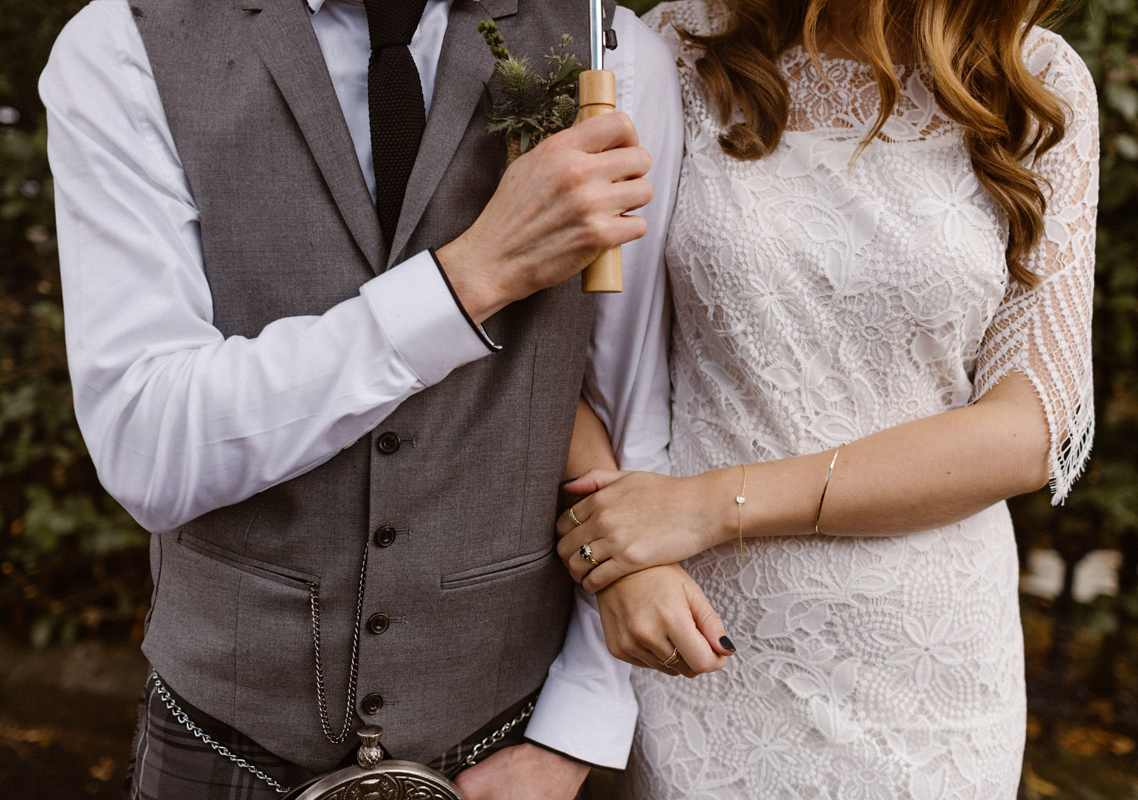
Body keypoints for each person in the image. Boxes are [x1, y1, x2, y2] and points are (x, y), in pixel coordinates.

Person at [39, 0, 695, 797]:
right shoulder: (125, 42)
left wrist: (576, 732)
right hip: (220, 752)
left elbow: (632, 428)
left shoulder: (613, 55)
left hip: (512, 755)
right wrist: (467, 281)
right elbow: (149, 448)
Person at [555, 0, 1099, 796]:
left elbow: (1026, 429)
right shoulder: (672, 47)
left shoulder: (1035, 82)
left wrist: (712, 506)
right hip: (701, 643)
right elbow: (550, 345)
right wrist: (619, 563)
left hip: (929, 669)